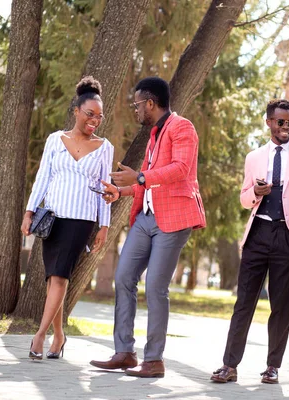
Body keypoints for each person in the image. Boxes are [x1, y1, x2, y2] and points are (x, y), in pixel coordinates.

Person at [90, 77, 206, 378]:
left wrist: (139, 177)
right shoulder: (155, 134)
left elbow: (180, 169)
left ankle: (153, 360)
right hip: (145, 218)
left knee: (156, 286)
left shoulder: (183, 128)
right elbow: (150, 180)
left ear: (151, 103)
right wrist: (122, 192)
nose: (135, 109)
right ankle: (124, 352)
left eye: (137, 104)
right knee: (124, 277)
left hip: (174, 219)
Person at [210, 99, 289, 385]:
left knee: (281, 304)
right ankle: (229, 365)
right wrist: (256, 193)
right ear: (269, 122)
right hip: (258, 232)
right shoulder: (254, 157)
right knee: (243, 302)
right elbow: (245, 199)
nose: (286, 127)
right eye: (281, 122)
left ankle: (272, 367)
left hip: (286, 235)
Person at [22, 76, 114, 360]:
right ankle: (60, 336)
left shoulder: (105, 147)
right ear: (76, 111)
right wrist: (29, 212)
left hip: (81, 221)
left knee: (60, 277)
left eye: (99, 116)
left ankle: (39, 336)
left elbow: (104, 189)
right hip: (52, 218)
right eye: (90, 114)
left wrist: (104, 226)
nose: (94, 121)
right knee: (53, 280)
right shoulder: (54, 140)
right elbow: (42, 179)